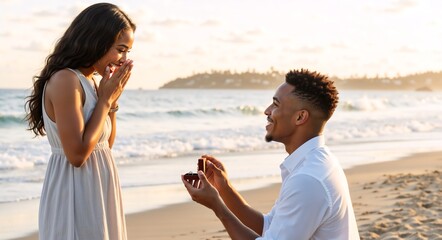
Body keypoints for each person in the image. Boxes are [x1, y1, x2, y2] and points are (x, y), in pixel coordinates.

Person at [182, 69, 360, 239]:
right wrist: (224, 189)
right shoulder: (316, 161)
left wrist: (217, 206)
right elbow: (269, 227)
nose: (267, 111)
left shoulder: (307, 179)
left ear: (300, 117)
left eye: (276, 104)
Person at [25, 3, 135, 240]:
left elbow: (105, 145)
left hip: (99, 189)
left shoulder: (93, 82)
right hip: (74, 193)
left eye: (128, 52)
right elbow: (76, 155)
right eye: (121, 49)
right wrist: (105, 101)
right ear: (97, 41)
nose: (124, 59)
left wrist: (112, 100)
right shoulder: (66, 80)